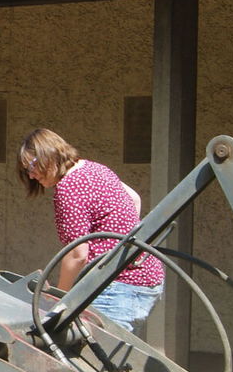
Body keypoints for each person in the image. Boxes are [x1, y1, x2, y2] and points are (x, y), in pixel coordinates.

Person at [16, 127, 164, 331]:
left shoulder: (69, 187)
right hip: (147, 278)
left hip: (117, 286)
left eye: (32, 166)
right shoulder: (95, 169)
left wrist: (59, 301)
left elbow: (78, 254)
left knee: (93, 357)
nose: (31, 176)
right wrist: (121, 243)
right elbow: (134, 199)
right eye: (27, 171)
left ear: (47, 155)